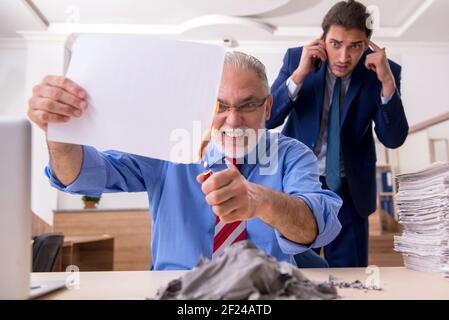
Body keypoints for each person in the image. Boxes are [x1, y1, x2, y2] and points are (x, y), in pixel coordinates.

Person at [27, 51, 342, 270]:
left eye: (247, 105)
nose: (233, 122)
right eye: (219, 106)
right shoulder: (169, 147)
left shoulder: (292, 154)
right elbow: (82, 177)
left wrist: (260, 201)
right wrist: (60, 133)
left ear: (268, 107)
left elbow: (316, 228)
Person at [268, 0, 409, 267]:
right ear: (322, 39)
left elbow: (393, 138)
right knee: (294, 274)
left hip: (350, 192)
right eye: (335, 44)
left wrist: (387, 84)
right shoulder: (297, 59)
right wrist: (299, 74)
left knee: (349, 276)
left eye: (355, 46)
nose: (344, 57)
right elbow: (269, 118)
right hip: (298, 187)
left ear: (368, 44)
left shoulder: (381, 72)